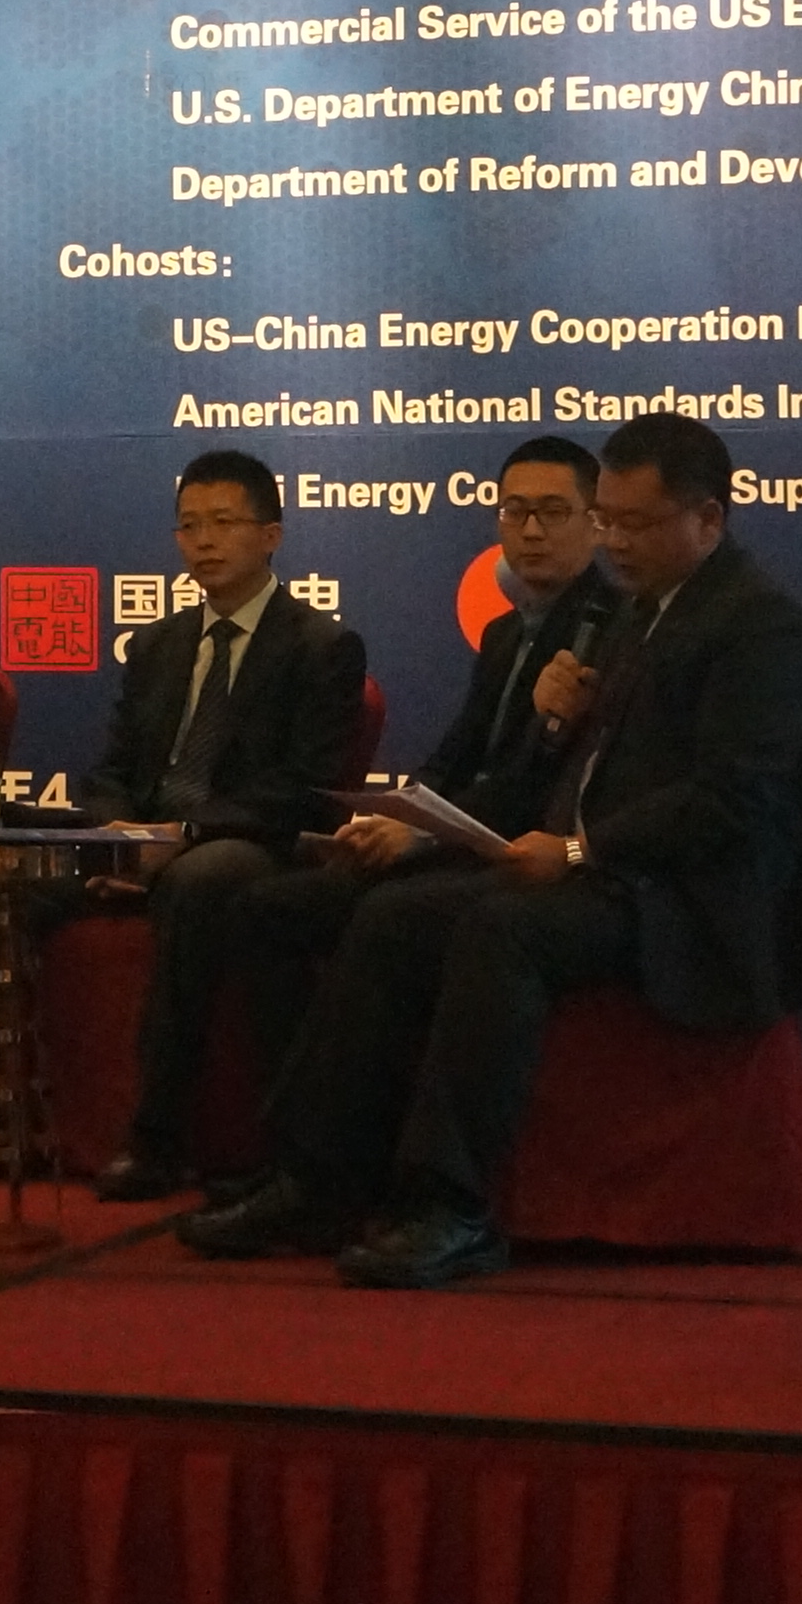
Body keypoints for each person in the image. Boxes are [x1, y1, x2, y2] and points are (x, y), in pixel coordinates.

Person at [179, 410, 802, 1287]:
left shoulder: (757, 624)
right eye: (609, 521)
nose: (615, 543)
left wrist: (578, 851)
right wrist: (566, 720)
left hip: (685, 899)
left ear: (708, 518)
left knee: (499, 929)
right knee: (396, 915)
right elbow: (587, 766)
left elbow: (733, 800)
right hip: (610, 875)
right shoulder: (646, 613)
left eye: (634, 524)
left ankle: (452, 1206)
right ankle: (321, 1181)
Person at [224, 434, 623, 1105]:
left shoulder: (608, 631)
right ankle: (292, 1117)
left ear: (596, 522)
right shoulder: (505, 632)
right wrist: (392, 815)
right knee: (269, 906)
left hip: (525, 855)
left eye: (553, 512)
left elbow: (532, 785)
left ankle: (332, 1130)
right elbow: (455, 757)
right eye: (514, 511)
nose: (530, 530)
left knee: (385, 914)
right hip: (462, 841)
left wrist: (423, 836)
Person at [52, 449, 368, 1204]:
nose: (203, 541)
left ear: (271, 536)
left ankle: (157, 1138)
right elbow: (112, 766)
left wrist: (178, 837)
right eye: (189, 525)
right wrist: (119, 831)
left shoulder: (320, 647)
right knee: (14, 862)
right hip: (147, 837)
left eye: (223, 523)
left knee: (199, 879)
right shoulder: (157, 644)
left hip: (254, 846)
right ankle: (4, 1118)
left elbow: (303, 791)